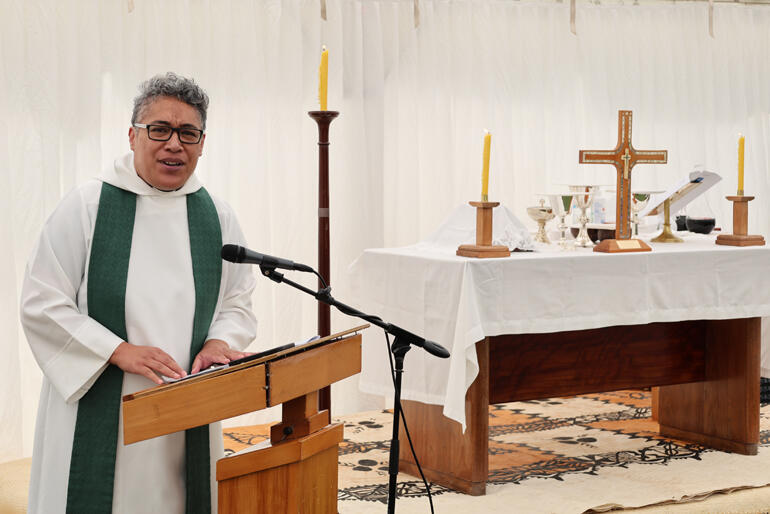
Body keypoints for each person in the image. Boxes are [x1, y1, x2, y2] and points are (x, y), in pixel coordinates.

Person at [20, 72, 257, 514]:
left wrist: (220, 341)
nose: (174, 144)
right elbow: (41, 302)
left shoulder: (215, 215)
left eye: (188, 133)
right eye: (160, 130)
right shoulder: (88, 206)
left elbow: (237, 299)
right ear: (133, 136)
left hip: (186, 401)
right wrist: (116, 350)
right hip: (102, 395)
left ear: (202, 143)